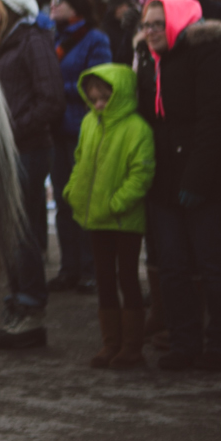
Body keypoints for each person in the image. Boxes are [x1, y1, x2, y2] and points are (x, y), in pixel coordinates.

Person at [136, 0, 221, 370]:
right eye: (145, 24)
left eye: (156, 24)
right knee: (172, 263)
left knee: (211, 261)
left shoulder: (209, 54)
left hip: (212, 179)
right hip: (165, 179)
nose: (149, 31)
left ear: (176, 21)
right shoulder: (150, 62)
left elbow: (214, 120)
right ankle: (184, 343)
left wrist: (196, 180)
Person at [0, 0, 64, 349]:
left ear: (12, 7)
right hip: (8, 149)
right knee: (10, 230)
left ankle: (31, 312)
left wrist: (11, 130)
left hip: (28, 148)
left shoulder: (32, 41)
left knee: (25, 228)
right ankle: (17, 306)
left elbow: (51, 99)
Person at [65, 66, 155, 369]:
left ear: (119, 97)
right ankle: (111, 343)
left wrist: (117, 203)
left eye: (104, 98)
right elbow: (80, 160)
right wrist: (72, 190)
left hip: (122, 219)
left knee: (127, 277)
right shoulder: (90, 123)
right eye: (93, 99)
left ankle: (132, 346)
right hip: (97, 217)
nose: (98, 104)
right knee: (104, 279)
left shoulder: (136, 128)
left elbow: (141, 174)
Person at [49, 0, 112, 293]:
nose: (52, 6)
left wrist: (57, 90)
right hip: (57, 131)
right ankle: (68, 268)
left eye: (59, 1)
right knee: (63, 202)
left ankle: (92, 269)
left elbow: (99, 82)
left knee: (84, 200)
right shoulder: (56, 39)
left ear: (75, 7)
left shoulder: (95, 39)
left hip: (83, 130)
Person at [100, 0, 141, 66]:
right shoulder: (104, 33)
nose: (132, 9)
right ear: (117, 8)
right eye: (129, 5)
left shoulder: (132, 27)